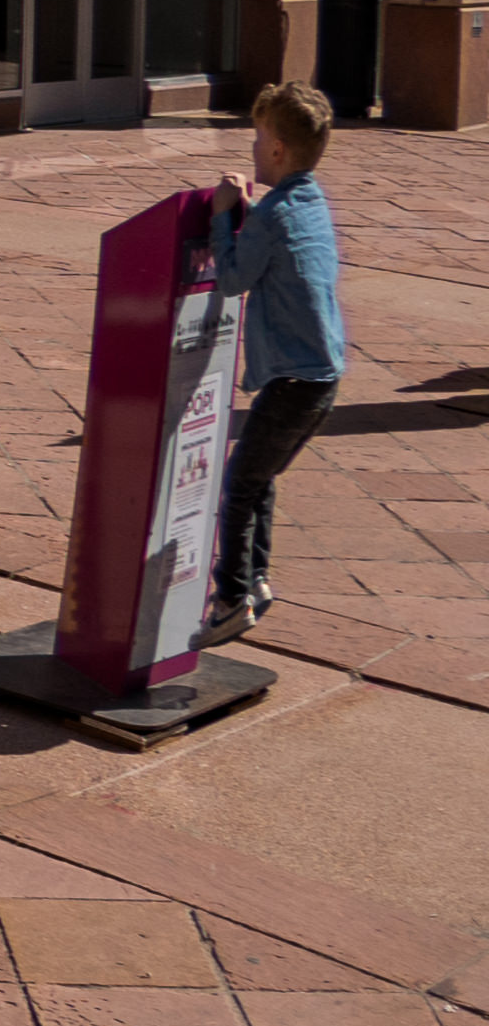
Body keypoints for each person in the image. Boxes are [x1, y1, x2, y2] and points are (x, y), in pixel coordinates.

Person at [206, 81, 347, 640]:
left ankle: (231, 599)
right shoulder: (309, 201)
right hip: (323, 378)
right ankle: (257, 577)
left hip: (294, 381)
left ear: (278, 151)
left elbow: (236, 278)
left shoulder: (269, 215)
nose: (253, 148)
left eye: (258, 138)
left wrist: (224, 217)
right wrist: (249, 215)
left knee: (239, 486)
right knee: (259, 477)